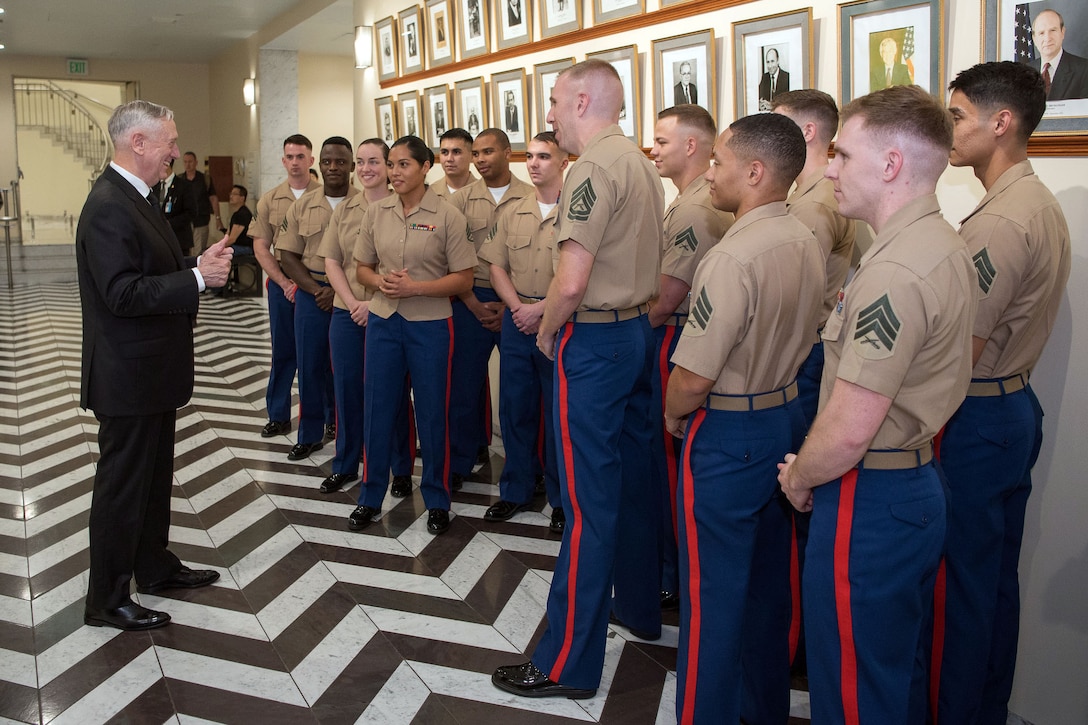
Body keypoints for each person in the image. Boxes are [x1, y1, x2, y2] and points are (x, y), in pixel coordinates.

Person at [777, 85, 977, 724]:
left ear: (890, 165)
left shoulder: (894, 271)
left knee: (854, 687)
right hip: (910, 484)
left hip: (870, 497)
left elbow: (850, 426)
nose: (829, 168)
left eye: (843, 154)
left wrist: (800, 477)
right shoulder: (933, 242)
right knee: (892, 673)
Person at [492, 58, 664, 700]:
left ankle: (568, 662)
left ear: (585, 99)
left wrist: (545, 329)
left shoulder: (591, 168)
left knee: (589, 504)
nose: (548, 116)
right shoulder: (640, 161)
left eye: (555, 102)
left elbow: (570, 281)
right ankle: (641, 611)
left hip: (593, 342)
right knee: (635, 482)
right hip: (636, 333)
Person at [665, 111, 823, 725]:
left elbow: (694, 377)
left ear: (755, 172)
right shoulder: (803, 238)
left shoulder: (730, 258)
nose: (711, 170)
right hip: (784, 415)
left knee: (713, 598)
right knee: (765, 592)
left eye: (721, 161)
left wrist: (676, 414)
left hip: (729, 430)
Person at [933, 61, 1071, 725]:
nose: (949, 127)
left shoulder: (999, 222)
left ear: (1001, 122)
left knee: (965, 589)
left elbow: (962, 350)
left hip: (979, 413)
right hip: (1009, 407)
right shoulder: (1032, 201)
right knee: (990, 583)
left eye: (957, 115)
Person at [76, 100, 231, 631]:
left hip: (151, 372)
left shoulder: (137, 196)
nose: (174, 150)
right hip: (127, 375)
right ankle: (107, 598)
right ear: (137, 143)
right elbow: (121, 293)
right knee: (123, 486)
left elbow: (154, 268)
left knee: (152, 477)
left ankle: (154, 566)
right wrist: (193, 281)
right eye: (168, 140)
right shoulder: (107, 206)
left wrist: (196, 266)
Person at [351, 135, 477, 535]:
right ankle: (371, 496)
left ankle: (438, 499)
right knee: (378, 409)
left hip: (431, 325)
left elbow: (463, 277)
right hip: (385, 322)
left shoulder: (448, 215)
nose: (394, 172)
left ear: (427, 167)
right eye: (391, 164)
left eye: (404, 164)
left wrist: (416, 288)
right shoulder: (377, 212)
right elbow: (361, 268)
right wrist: (381, 282)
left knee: (433, 412)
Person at [647, 104, 733, 610]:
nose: (654, 150)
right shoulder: (686, 200)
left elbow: (664, 301)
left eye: (662, 141)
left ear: (692, 146)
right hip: (678, 338)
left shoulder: (697, 208)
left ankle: (672, 575)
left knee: (671, 466)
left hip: (677, 342)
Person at [316, 139, 416, 498]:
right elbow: (331, 261)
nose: (366, 169)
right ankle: (345, 465)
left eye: (375, 161)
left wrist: (371, 304)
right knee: (347, 391)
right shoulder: (345, 210)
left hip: (389, 314)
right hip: (348, 314)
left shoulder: (403, 208)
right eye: (361, 162)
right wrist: (351, 302)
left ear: (389, 165)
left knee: (394, 394)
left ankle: (400, 467)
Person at [478, 132, 567, 530]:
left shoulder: (578, 210)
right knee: (515, 409)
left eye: (544, 156)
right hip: (518, 320)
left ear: (564, 161)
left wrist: (541, 311)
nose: (533, 164)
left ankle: (562, 498)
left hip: (561, 319)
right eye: (529, 156)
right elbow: (496, 265)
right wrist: (518, 308)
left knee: (558, 414)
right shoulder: (514, 210)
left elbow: (582, 275)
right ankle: (516, 488)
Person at [448, 129, 534, 490]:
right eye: (477, 153)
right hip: (470, 299)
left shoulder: (531, 198)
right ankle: (459, 463)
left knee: (519, 398)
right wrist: (473, 302)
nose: (481, 159)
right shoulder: (460, 201)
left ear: (508, 153)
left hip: (518, 303)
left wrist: (509, 305)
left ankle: (529, 470)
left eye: (488, 152)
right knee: (463, 389)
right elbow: (448, 257)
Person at [773, 89, 857, 427]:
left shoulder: (814, 202)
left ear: (807, 132)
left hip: (804, 350)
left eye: (780, 123)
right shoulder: (810, 192)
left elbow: (795, 290)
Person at [278, 137, 359, 461]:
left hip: (354, 298)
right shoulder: (303, 205)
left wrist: (341, 293)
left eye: (340, 161)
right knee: (309, 367)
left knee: (350, 372)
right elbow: (287, 254)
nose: (333, 167)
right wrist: (316, 290)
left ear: (351, 166)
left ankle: (349, 434)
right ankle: (310, 433)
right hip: (314, 296)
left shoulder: (369, 204)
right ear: (318, 164)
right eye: (327, 162)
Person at [251, 135, 320, 439]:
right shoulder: (270, 199)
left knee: (321, 355)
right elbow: (261, 246)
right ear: (283, 161)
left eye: (300, 156)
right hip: (282, 287)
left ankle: (327, 416)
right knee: (284, 352)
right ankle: (278, 415)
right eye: (289, 157)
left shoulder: (326, 196)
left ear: (311, 160)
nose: (295, 162)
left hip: (319, 286)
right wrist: (284, 282)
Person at [1029, 9, 1088, 101]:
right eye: (1041, 33)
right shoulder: (1025, 71)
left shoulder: (1084, 69)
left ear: (1062, 32)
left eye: (1053, 30)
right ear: (1034, 38)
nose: (1047, 38)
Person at [182, 150, 221, 252]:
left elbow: (213, 198)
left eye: (190, 161)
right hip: (184, 221)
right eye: (185, 162)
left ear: (196, 162)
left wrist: (218, 218)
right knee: (185, 249)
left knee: (198, 249)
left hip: (201, 219)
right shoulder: (180, 180)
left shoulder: (204, 179)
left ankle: (197, 266)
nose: (188, 164)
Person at [161, 159, 194, 255]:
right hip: (160, 239)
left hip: (179, 238)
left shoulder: (184, 186)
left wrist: (170, 223)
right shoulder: (154, 185)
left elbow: (191, 212)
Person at [433, 128, 476, 200]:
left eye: (456, 152)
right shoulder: (430, 193)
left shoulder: (485, 192)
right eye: (444, 152)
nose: (449, 159)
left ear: (471, 156)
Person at [222, 185, 253, 253]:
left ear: (242, 198)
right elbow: (228, 235)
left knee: (218, 253)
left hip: (244, 247)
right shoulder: (236, 214)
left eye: (234, 194)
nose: (231, 196)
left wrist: (219, 248)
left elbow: (232, 239)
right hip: (236, 246)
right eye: (231, 194)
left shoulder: (243, 214)